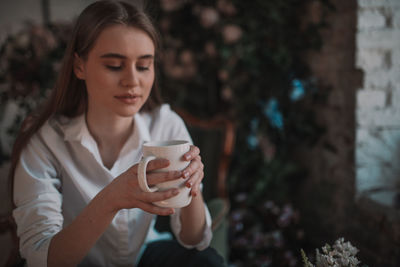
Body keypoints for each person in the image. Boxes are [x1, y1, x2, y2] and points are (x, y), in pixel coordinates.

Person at [10, 1, 225, 266]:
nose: (132, 81)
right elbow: (41, 257)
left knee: (208, 261)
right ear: (79, 66)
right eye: (114, 65)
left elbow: (193, 239)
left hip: (142, 254)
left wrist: (193, 186)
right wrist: (110, 199)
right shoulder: (45, 141)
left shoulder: (166, 125)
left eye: (144, 66)